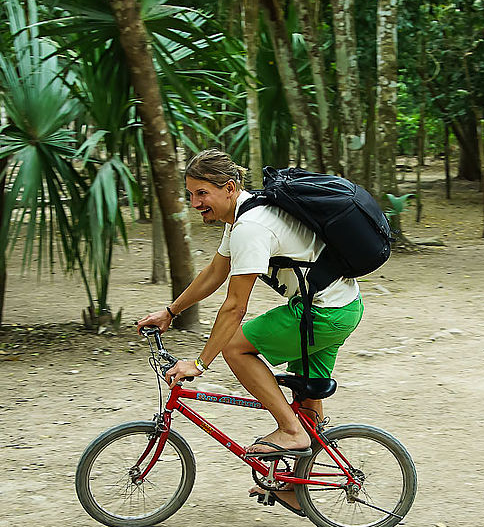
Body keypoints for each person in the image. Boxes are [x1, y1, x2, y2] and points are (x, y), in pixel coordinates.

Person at [136, 149, 364, 508]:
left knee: (235, 347)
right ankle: (296, 484)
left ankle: (290, 431)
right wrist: (170, 311)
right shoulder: (244, 214)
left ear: (228, 188)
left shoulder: (251, 227)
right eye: (190, 194)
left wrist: (200, 363)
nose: (195, 203)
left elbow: (235, 306)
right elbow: (215, 272)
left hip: (322, 313)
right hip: (340, 305)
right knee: (305, 396)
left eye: (201, 193)